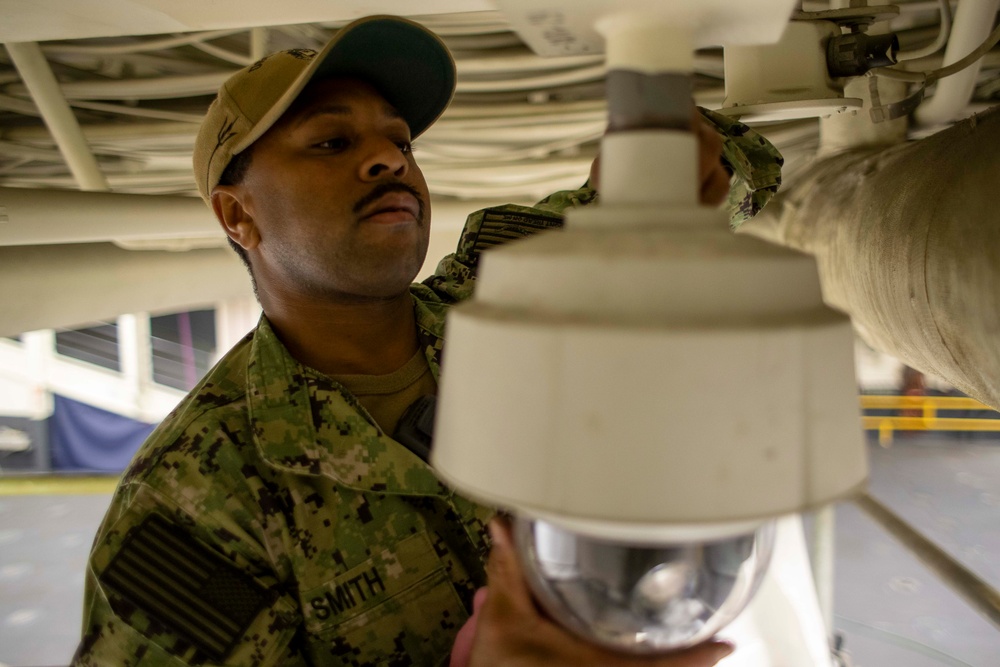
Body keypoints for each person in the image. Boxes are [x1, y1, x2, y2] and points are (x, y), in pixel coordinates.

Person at [73, 15, 781, 667]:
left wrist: (670, 179)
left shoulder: (513, 287)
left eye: (401, 140)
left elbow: (744, 163)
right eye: (332, 141)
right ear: (238, 215)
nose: (389, 158)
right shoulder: (196, 498)